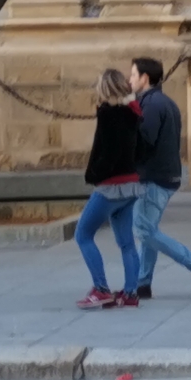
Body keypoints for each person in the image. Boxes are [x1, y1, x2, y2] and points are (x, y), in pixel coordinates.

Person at [129, 57, 191, 299]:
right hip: (164, 174)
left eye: (133, 75)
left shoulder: (151, 105)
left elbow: (145, 140)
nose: (129, 79)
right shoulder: (162, 102)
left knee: (142, 228)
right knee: (148, 228)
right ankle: (143, 283)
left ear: (145, 78)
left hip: (154, 176)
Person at [75, 68, 145, 309]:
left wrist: (93, 174)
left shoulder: (108, 115)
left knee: (83, 234)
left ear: (105, 89)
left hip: (110, 186)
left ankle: (101, 289)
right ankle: (131, 293)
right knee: (126, 242)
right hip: (132, 184)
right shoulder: (133, 113)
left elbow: (106, 153)